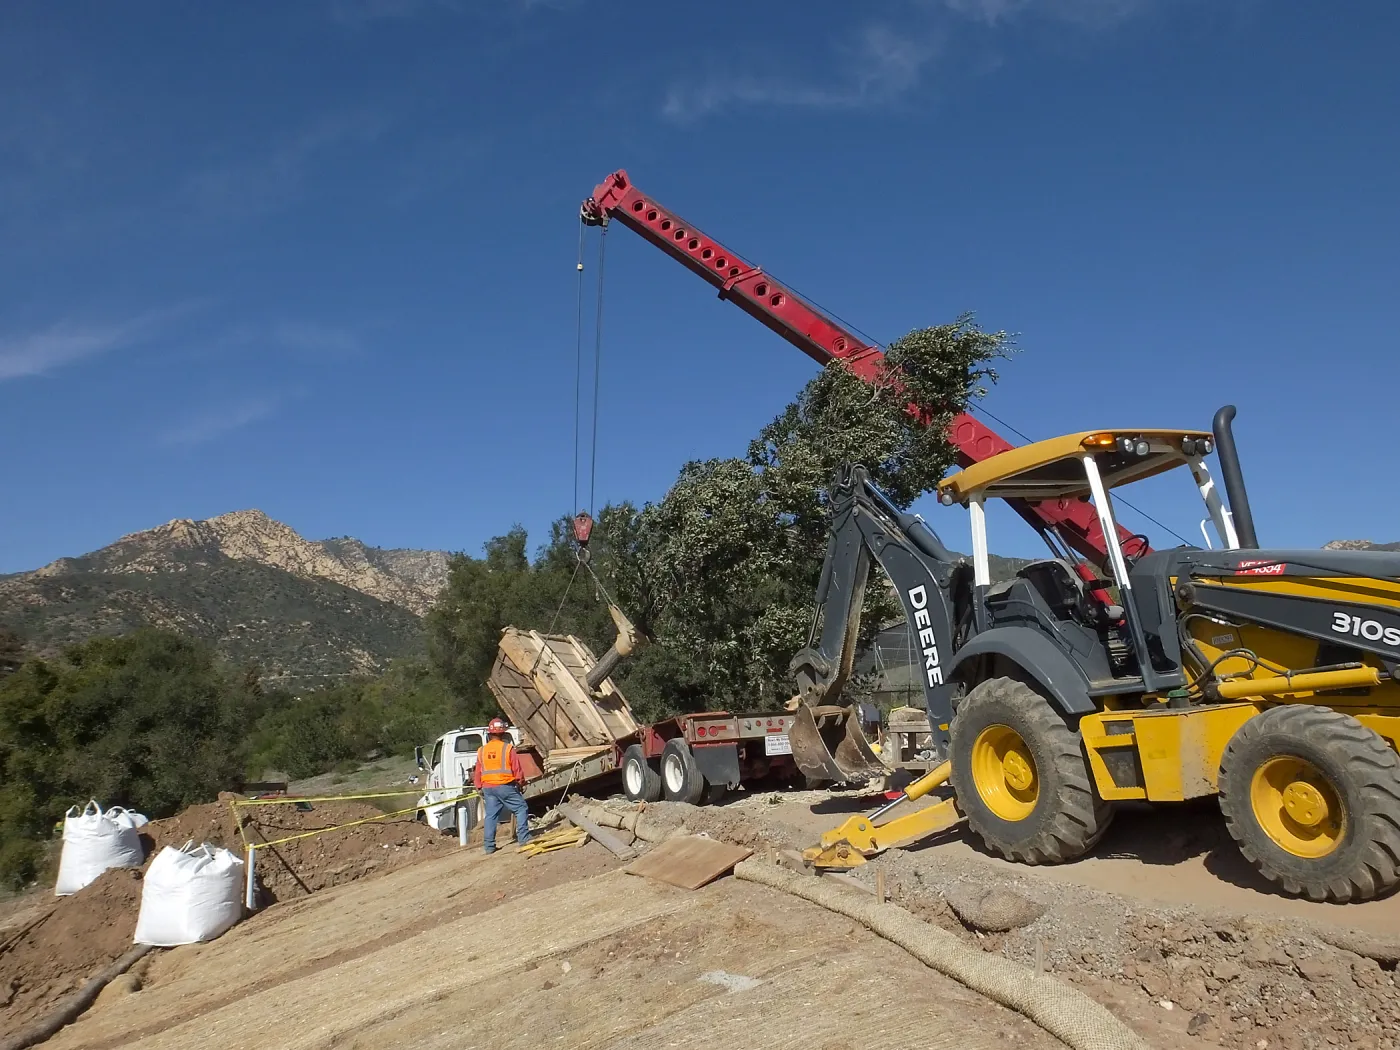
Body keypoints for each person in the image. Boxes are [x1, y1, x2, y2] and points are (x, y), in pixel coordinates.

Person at [473, 718, 532, 853]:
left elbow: (478, 771)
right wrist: (521, 782)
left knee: (491, 816)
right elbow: (517, 769)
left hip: (488, 787)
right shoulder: (507, 748)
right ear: (503, 733)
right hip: (505, 785)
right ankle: (524, 838)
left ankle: (489, 847)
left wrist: (478, 786)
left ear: (490, 733)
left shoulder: (481, 750)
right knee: (521, 808)